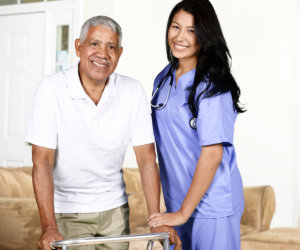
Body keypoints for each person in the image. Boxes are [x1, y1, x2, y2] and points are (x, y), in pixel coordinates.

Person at [26, 16, 180, 250]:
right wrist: (48, 227)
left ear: (119, 53)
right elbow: (42, 161)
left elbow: (147, 159)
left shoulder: (132, 91)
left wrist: (156, 220)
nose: (103, 53)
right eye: (94, 44)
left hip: (115, 210)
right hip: (68, 211)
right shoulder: (52, 89)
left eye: (111, 47)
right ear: (78, 47)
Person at [148, 1, 245, 249]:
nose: (180, 37)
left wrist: (183, 213)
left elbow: (213, 153)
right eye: (175, 27)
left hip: (212, 205)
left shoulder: (213, 86)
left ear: (205, 35)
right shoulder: (163, 78)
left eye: (191, 30)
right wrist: (177, 211)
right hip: (177, 202)